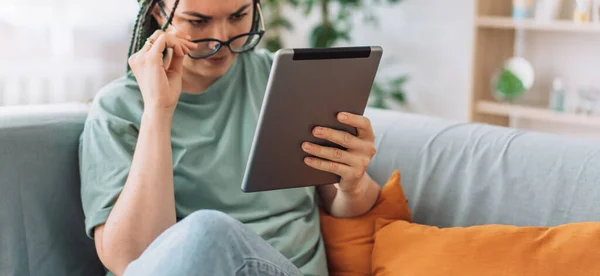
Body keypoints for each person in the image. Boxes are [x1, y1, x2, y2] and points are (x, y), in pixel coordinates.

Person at [78, 0, 382, 275]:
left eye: (238, 15)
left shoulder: (282, 80)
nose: (222, 38)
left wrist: (353, 185)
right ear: (158, 13)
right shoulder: (118, 108)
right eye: (198, 22)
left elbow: (342, 204)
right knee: (206, 231)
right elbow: (132, 262)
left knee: (209, 230)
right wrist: (158, 111)